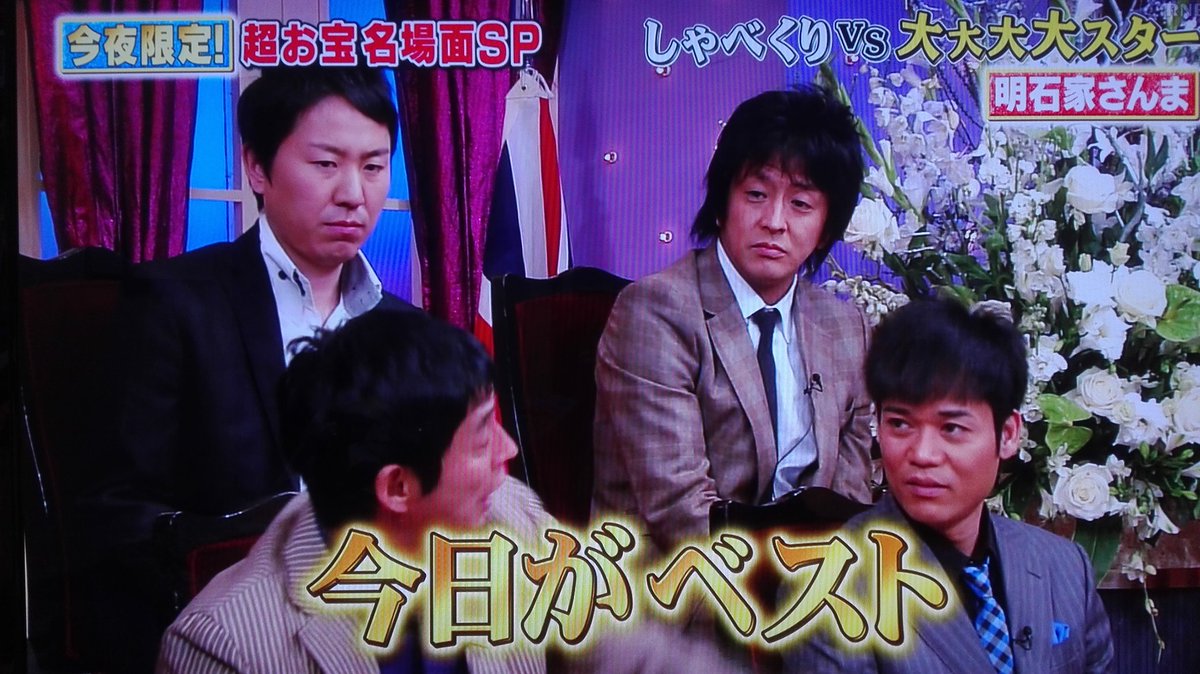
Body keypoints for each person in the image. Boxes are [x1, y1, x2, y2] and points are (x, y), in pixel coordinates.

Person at [85, 65, 415, 670]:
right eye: (326, 164)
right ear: (257, 167)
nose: (354, 193)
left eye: (373, 166)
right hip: (238, 632)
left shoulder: (408, 330)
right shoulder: (176, 302)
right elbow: (119, 511)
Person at [157, 309, 547, 673]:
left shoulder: (514, 516)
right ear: (397, 487)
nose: (509, 450)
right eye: (482, 440)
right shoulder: (222, 645)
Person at [592, 86, 874, 554]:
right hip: (676, 578)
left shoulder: (845, 328)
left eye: (801, 204)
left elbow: (850, 505)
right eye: (756, 195)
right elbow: (682, 513)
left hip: (812, 581)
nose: (775, 221)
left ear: (827, 227)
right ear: (722, 203)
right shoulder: (656, 312)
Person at [791, 298, 1113, 672]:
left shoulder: (1065, 566)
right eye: (900, 424)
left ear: (1008, 434)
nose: (922, 454)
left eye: (952, 428)